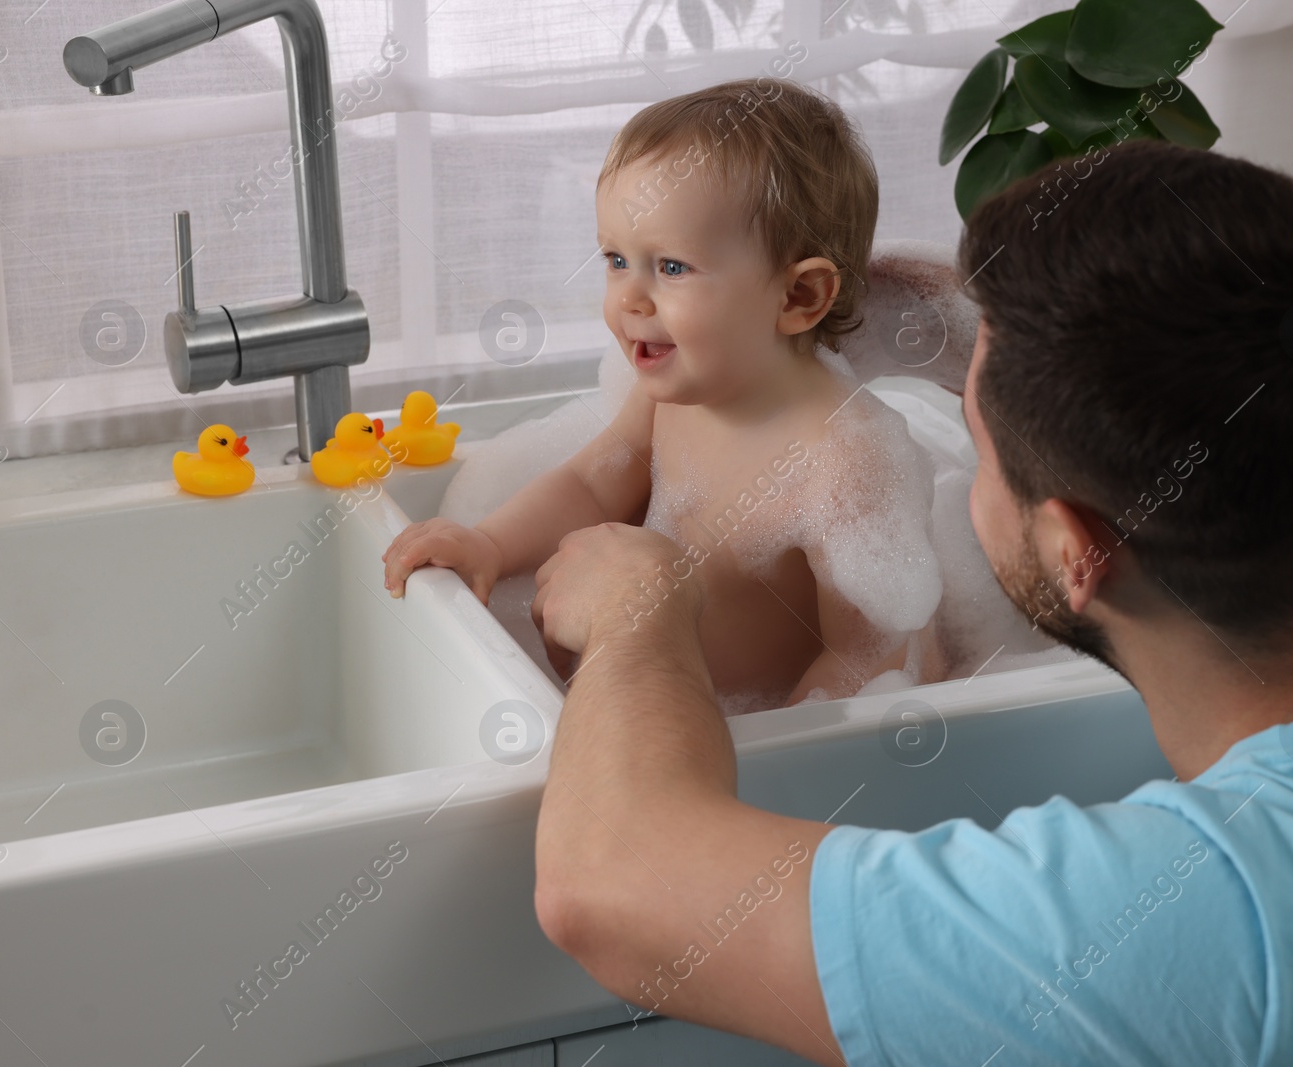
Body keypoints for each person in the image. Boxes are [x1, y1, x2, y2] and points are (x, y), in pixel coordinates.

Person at [527, 139, 1293, 1064]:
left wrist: (637, 614)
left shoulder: (1193, 923)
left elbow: (610, 885)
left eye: (981, 448)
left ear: (1075, 551)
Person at [381, 78, 947, 713]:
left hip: (753, 729)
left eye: (672, 268)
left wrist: (780, 748)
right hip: (656, 705)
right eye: (616, 260)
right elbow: (590, 488)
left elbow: (872, 657)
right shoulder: (671, 397)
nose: (629, 298)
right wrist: (488, 544)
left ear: (799, 297)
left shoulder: (846, 459)